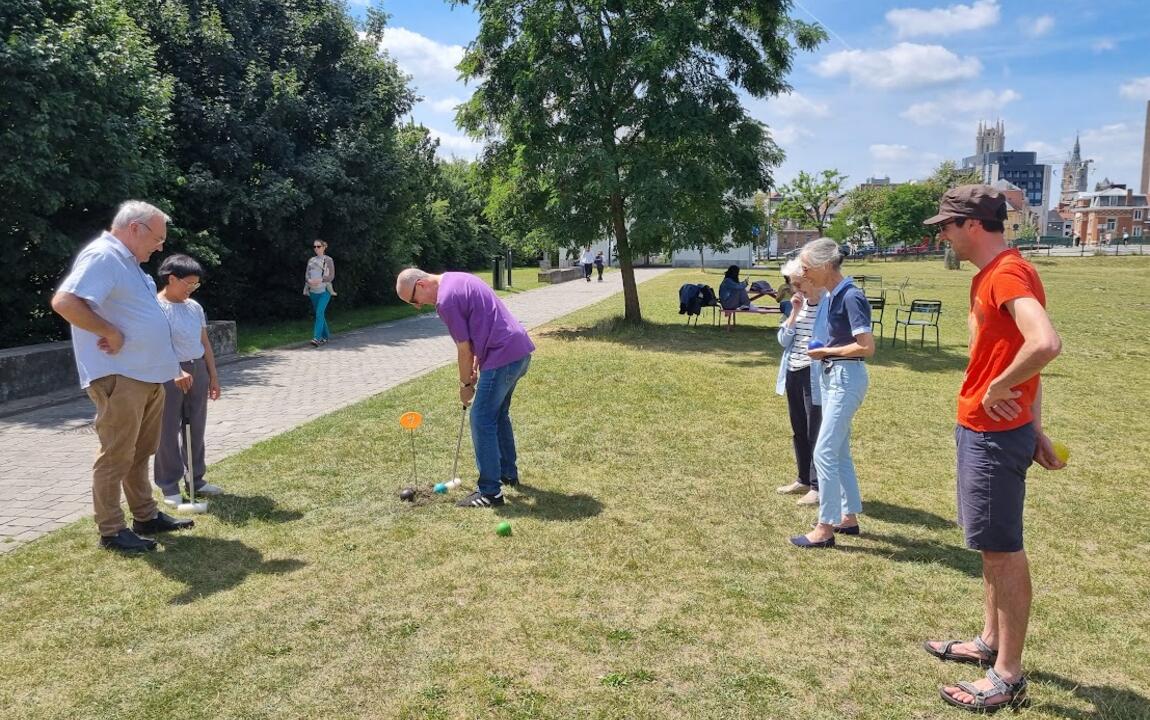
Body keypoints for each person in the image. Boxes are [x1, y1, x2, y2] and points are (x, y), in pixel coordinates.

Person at [921, 185, 1063, 713]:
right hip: (996, 429)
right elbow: (1027, 357)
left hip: (992, 433)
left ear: (972, 225)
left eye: (946, 227)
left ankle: (1008, 674)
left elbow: (1044, 343)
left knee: (1003, 551)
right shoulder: (994, 274)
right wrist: (1035, 424)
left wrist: (1001, 391)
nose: (942, 236)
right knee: (990, 544)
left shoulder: (1005, 272)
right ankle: (990, 642)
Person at [50, 200, 196, 552]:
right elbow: (65, 301)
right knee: (116, 454)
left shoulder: (128, 263)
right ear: (135, 228)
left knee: (140, 451)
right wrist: (109, 332)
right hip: (120, 377)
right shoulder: (104, 256)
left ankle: (144, 515)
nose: (160, 246)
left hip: (145, 377)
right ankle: (111, 531)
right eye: (158, 238)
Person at [396, 268, 536, 507]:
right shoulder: (458, 278)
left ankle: (490, 492)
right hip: (518, 350)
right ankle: (507, 473)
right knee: (498, 414)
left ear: (421, 284)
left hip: (501, 356)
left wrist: (465, 385)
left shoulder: (445, 301)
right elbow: (478, 328)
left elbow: (463, 347)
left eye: (413, 300)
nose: (417, 306)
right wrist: (473, 365)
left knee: (481, 418)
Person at [788, 238, 874, 548]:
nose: (805, 275)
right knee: (838, 451)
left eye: (808, 269)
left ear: (826, 266)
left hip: (845, 377)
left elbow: (866, 346)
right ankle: (848, 518)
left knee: (823, 451)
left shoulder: (850, 296)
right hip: (834, 375)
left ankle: (825, 528)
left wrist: (826, 350)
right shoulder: (834, 295)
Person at [153, 254, 224, 506]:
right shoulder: (155, 307)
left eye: (196, 285)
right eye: (188, 284)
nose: (192, 289)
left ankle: (196, 479)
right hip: (169, 373)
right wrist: (175, 370)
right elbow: (156, 345)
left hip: (198, 370)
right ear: (171, 279)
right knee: (168, 429)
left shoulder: (194, 307)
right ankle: (168, 484)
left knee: (196, 425)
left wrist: (213, 375)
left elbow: (203, 342)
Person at [774, 259, 822, 506]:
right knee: (799, 429)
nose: (794, 289)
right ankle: (803, 478)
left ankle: (816, 486)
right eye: (792, 284)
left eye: (797, 283)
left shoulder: (825, 305)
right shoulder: (798, 305)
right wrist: (793, 313)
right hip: (792, 371)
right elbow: (783, 340)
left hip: (814, 374)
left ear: (809, 279)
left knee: (816, 431)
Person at [303, 239, 335, 347]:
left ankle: (317, 338)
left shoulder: (329, 260)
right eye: (314, 247)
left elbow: (331, 276)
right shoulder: (311, 260)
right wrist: (309, 281)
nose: (316, 248)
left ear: (324, 247)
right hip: (313, 292)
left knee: (319, 313)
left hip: (325, 291)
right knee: (320, 313)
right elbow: (307, 275)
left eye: (318, 246)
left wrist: (320, 280)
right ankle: (326, 336)